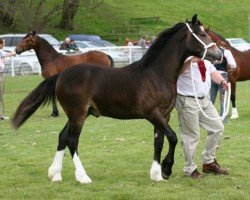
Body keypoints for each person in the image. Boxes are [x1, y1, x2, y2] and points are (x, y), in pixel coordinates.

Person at [175, 55, 230, 178]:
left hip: (205, 100)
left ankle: (208, 162)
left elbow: (213, 72)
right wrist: (189, 61)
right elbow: (177, 72)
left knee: (217, 128)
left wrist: (222, 82)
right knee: (191, 135)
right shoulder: (183, 59)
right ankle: (190, 168)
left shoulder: (205, 61)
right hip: (187, 100)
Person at [210, 41, 237, 120]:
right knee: (223, 98)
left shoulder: (212, 52)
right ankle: (223, 117)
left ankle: (209, 117)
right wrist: (230, 69)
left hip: (213, 75)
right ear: (224, 46)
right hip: (222, 76)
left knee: (211, 98)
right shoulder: (226, 52)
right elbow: (233, 64)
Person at [0, 38, 16, 120]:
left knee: (1, 95)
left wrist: (13, 53)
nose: (4, 45)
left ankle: (1, 115)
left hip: (1, 75)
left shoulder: (1, 52)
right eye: (3, 44)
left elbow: (6, 54)